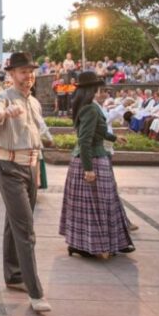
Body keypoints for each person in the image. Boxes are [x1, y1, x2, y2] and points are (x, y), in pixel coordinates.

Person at [0, 52, 53, 313]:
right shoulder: (3, 97)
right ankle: (35, 292)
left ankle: (13, 275)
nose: (28, 76)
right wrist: (5, 114)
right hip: (8, 166)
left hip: (29, 166)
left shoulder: (33, 102)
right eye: (23, 72)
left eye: (31, 72)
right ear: (11, 74)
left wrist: (42, 152)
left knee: (15, 222)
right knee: (26, 230)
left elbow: (37, 130)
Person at [59, 71, 134, 260]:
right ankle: (93, 244)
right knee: (98, 206)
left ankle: (93, 243)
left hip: (90, 158)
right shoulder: (90, 108)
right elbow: (85, 140)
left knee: (90, 206)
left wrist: (115, 137)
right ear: (92, 89)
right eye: (99, 88)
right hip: (92, 160)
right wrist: (89, 170)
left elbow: (97, 131)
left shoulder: (87, 106)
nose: (102, 92)